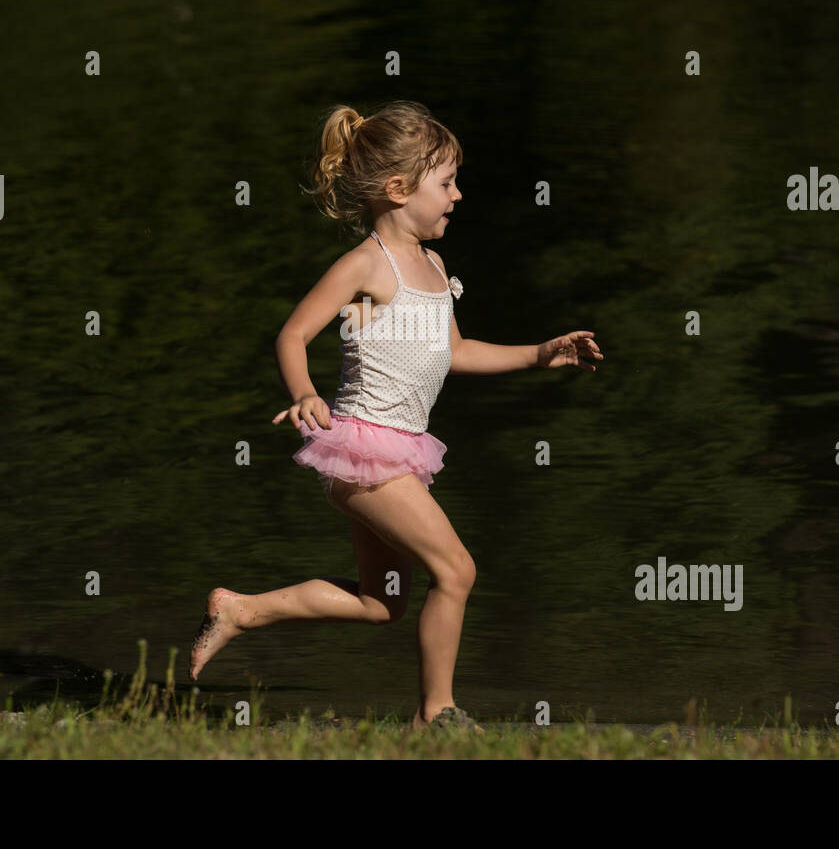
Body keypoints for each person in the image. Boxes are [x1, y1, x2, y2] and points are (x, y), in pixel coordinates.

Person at [188, 100, 601, 732]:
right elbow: (293, 335)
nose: (458, 196)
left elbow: (457, 352)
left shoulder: (433, 268)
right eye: (447, 183)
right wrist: (304, 393)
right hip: (360, 449)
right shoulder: (366, 265)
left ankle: (242, 610)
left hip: (399, 450)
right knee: (456, 569)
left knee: (381, 604)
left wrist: (539, 354)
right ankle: (437, 715)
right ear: (398, 189)